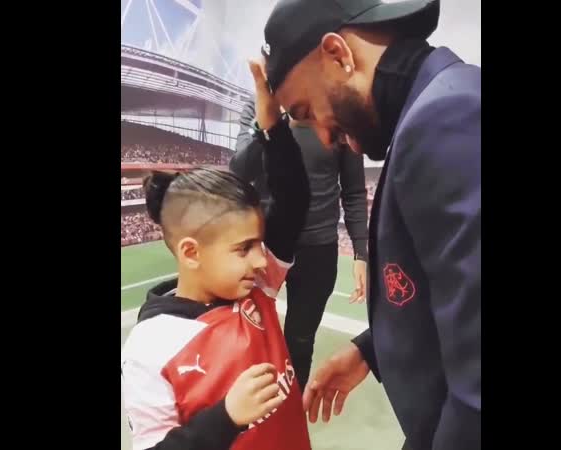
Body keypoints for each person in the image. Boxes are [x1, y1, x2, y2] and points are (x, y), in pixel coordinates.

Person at [259, 1, 481, 449]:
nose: (324, 138)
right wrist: (370, 349)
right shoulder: (439, 103)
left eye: (306, 110)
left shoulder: (445, 119)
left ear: (338, 53)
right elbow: (455, 295)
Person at [120, 60, 312, 449]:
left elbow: (293, 199)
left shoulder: (258, 286)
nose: (261, 260)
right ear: (191, 253)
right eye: (243, 248)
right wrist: (226, 419)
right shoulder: (149, 346)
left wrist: (272, 126)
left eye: (259, 243)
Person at [230, 94, 369, 391]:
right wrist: (270, 120)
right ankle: (251, 411)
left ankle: (291, 409)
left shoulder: (338, 111)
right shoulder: (255, 109)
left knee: (300, 342)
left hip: (318, 249)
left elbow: (354, 191)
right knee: (250, 336)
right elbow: (240, 170)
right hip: (265, 247)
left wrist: (361, 251)